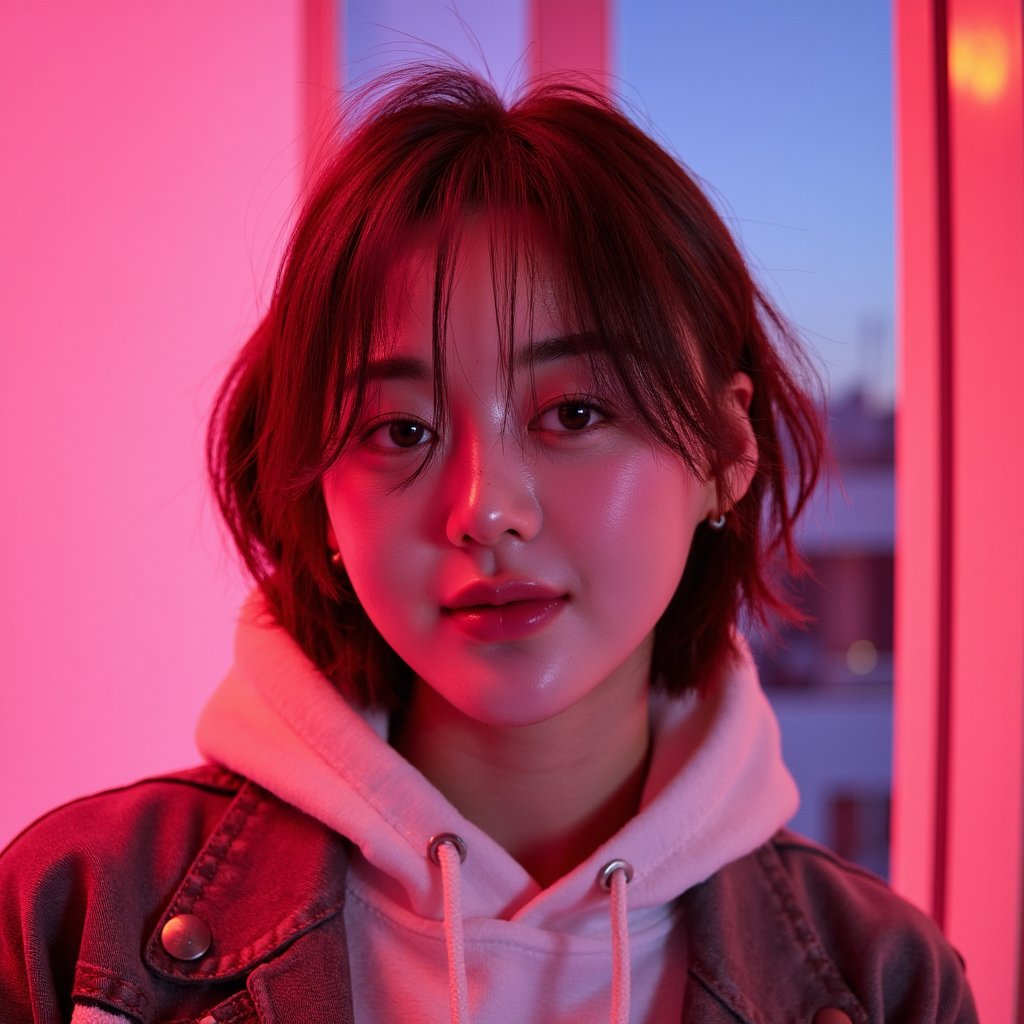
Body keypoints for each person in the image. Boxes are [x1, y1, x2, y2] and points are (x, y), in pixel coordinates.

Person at [0, 65, 975, 1024]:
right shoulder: (73, 916)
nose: (484, 510)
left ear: (723, 452)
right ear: (319, 500)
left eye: (575, 411)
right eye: (400, 430)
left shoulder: (885, 982)